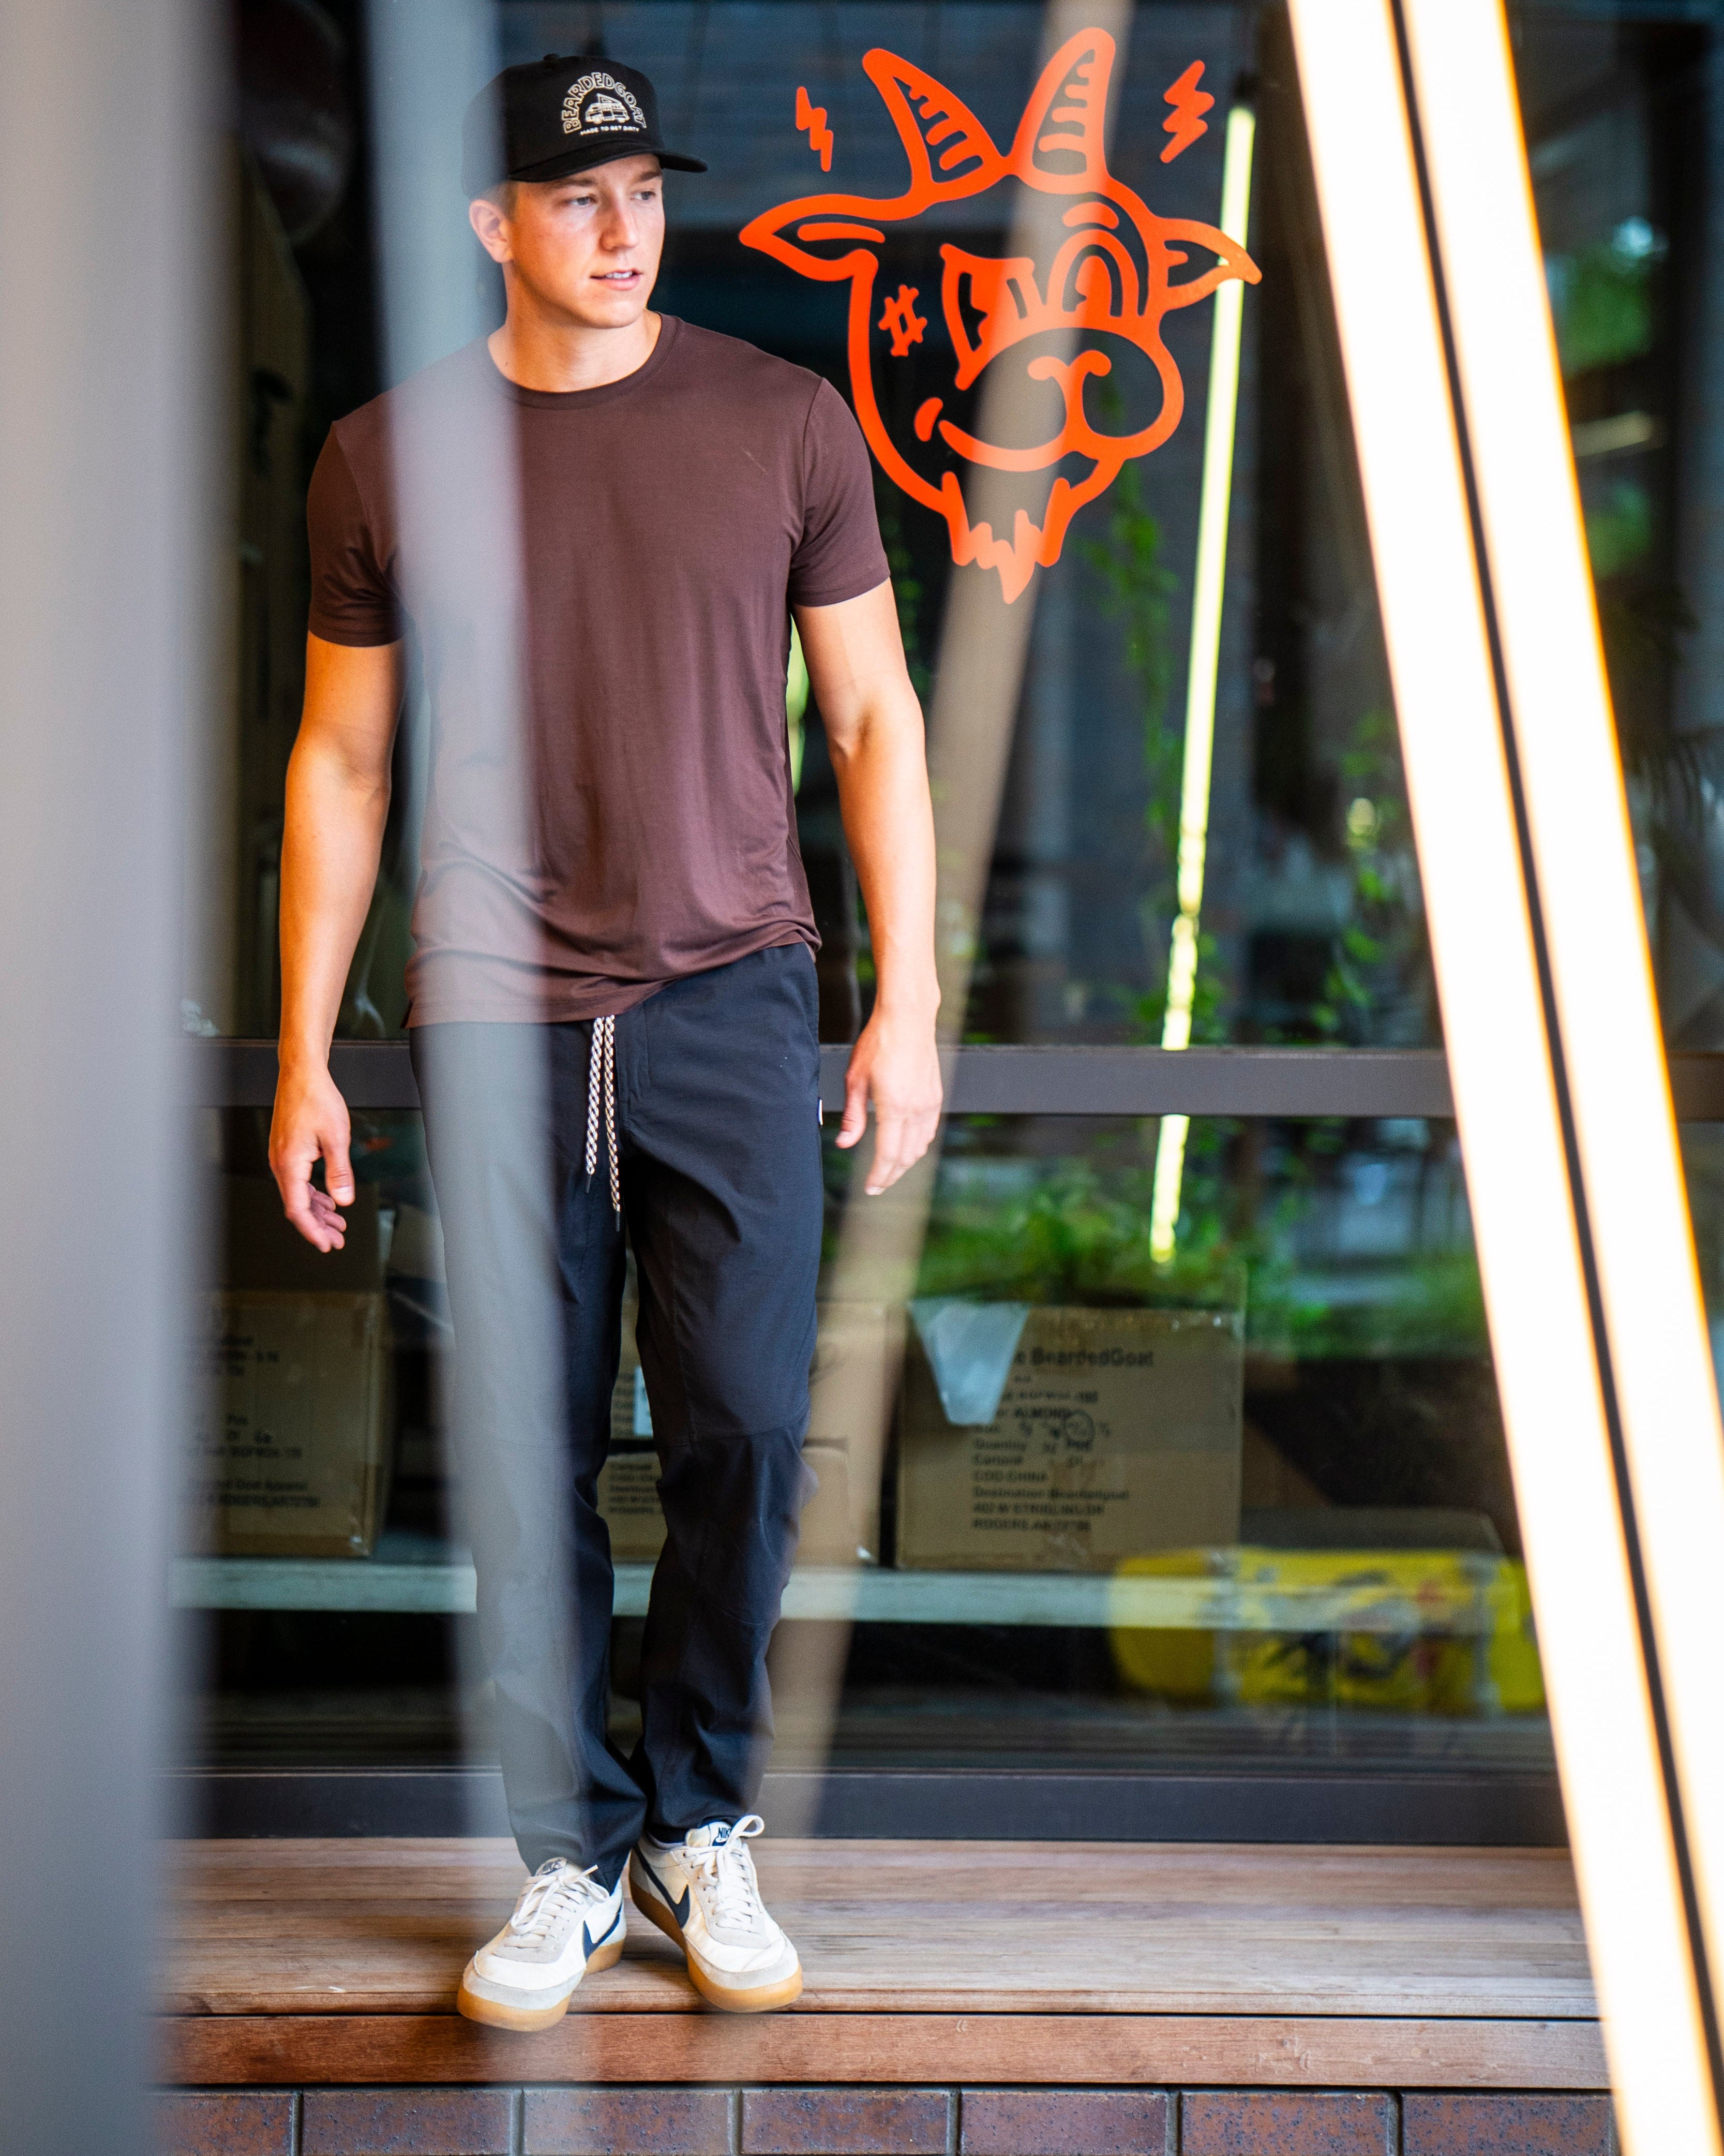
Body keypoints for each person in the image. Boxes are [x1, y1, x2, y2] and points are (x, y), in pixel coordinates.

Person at [267, 53, 941, 2027]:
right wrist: (305, 1051)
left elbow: (874, 719)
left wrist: (906, 999)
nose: (625, 226)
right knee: (526, 1453)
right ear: (495, 225)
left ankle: (698, 1823)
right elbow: (340, 763)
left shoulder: (783, 421)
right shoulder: (386, 459)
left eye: (643, 189)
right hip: (493, 1008)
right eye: (579, 198)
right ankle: (566, 1854)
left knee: (744, 1427)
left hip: (734, 990)